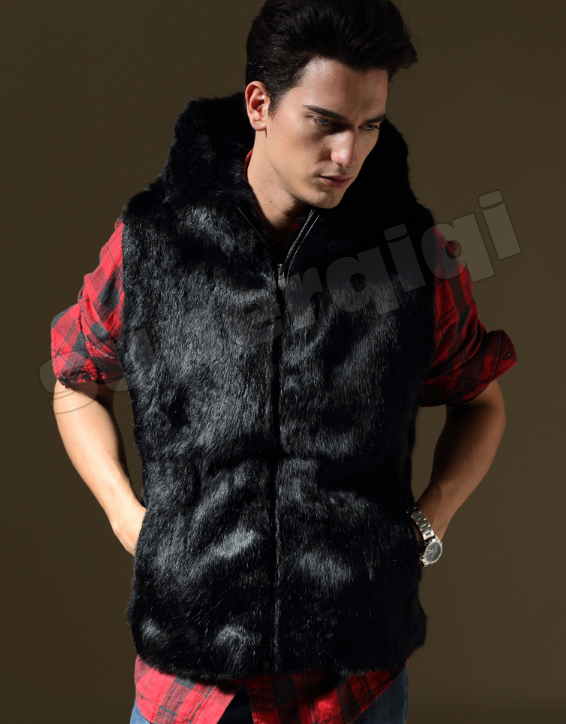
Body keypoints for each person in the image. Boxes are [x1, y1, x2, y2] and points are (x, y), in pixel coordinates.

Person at [50, 1, 518, 723]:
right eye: (325, 123)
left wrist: (427, 524)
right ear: (259, 105)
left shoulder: (413, 262)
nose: (347, 155)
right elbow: (75, 380)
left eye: (369, 126)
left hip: (352, 686)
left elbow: (480, 399)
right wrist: (126, 517)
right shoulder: (154, 246)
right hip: (191, 687)